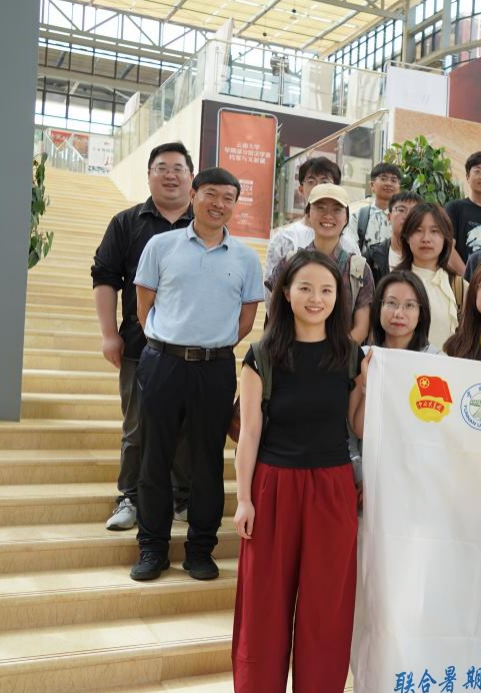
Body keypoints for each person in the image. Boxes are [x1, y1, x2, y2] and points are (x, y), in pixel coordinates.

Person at [230, 250, 369, 693]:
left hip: (332, 488)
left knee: (326, 608)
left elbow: (357, 425)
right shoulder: (262, 355)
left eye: (326, 290)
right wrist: (244, 499)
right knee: (263, 606)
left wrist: (368, 383)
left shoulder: (351, 355)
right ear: (286, 293)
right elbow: (250, 433)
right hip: (273, 485)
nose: (316, 298)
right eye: (305, 288)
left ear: (338, 298)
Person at [130, 166, 263, 582]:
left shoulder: (246, 258)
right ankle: (152, 548)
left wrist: (211, 344)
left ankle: (200, 550)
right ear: (193, 195)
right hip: (162, 362)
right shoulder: (161, 246)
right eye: (211, 194)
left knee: (208, 461)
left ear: (235, 204)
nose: (218, 204)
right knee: (155, 458)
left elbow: (246, 320)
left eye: (228, 198)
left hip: (215, 368)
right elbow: (143, 306)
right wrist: (171, 341)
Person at [92, 141, 195, 531]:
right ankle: (130, 498)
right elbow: (105, 277)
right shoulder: (126, 223)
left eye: (178, 169)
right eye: (162, 168)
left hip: (192, 350)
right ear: (149, 175)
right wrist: (109, 334)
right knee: (137, 427)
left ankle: (182, 497)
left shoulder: (205, 226)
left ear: (191, 177)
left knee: (186, 425)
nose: (170, 175)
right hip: (140, 345)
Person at [265, 157, 360, 294]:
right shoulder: (284, 239)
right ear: (301, 189)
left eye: (324, 182)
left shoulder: (349, 244)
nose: (318, 187)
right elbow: (272, 295)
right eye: (311, 181)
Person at [297, 184, 375, 344]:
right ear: (308, 214)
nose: (328, 215)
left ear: (346, 218)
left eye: (337, 210)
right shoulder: (291, 264)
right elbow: (277, 317)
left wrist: (336, 353)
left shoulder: (358, 269)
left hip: (342, 356)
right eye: (320, 208)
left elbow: (362, 327)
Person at [396, 203, 466, 350]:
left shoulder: (460, 287)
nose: (426, 238)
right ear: (407, 237)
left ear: (446, 238)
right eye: (418, 230)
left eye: (435, 231)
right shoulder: (393, 283)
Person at [445, 151, 481, 273]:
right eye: (477, 171)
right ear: (467, 177)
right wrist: (468, 278)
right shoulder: (454, 208)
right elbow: (447, 248)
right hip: (461, 279)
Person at [368, 271, 440, 354]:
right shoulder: (363, 356)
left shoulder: (436, 358)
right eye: (391, 303)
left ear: (420, 314)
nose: (398, 314)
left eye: (409, 305)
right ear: (378, 308)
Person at [363, 191, 423, 285]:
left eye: (414, 212)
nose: (407, 216)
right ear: (389, 217)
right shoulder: (372, 256)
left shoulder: (427, 256)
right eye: (401, 210)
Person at [343, 162, 401, 252]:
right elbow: (351, 249)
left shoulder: (404, 219)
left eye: (394, 180)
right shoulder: (357, 217)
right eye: (383, 179)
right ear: (372, 185)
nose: (389, 183)